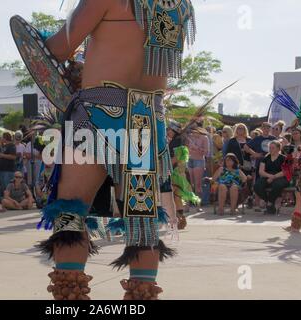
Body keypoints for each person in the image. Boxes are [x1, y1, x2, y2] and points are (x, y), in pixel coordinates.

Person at [34, 0, 195, 300]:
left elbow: (57, 49)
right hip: (146, 119)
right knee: (143, 223)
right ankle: (141, 298)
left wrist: (42, 34)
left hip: (98, 114)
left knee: (70, 209)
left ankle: (71, 297)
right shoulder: (178, 5)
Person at [254, 141, 289, 214]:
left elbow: (285, 171)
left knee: (277, 185)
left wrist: (273, 177)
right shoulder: (265, 158)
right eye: (269, 148)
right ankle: (269, 202)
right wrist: (269, 176)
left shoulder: (284, 158)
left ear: (278, 149)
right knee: (257, 186)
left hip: (280, 177)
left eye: (273, 148)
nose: (270, 149)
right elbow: (261, 171)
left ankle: (270, 203)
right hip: (268, 176)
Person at [187, 128, 209, 210]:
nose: (193, 131)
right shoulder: (189, 137)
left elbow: (206, 152)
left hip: (199, 160)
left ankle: (198, 205)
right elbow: (186, 149)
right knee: (189, 183)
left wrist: (195, 147)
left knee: (198, 184)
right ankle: (187, 205)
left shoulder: (204, 138)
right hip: (189, 159)